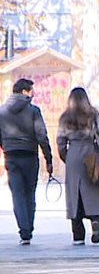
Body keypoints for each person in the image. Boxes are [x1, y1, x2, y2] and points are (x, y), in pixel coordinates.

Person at [0, 78, 54, 244]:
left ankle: (24, 230)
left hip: (11, 155)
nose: (33, 94)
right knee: (29, 193)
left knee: (17, 194)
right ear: (24, 91)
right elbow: (41, 136)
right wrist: (48, 158)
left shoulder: (2, 112)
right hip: (30, 155)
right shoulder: (33, 111)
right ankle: (28, 228)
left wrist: (5, 147)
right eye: (31, 90)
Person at [57, 87, 99, 245]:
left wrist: (66, 156)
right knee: (94, 188)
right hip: (90, 152)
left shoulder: (65, 117)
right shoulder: (93, 114)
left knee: (75, 193)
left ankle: (78, 233)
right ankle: (95, 220)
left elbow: (60, 140)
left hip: (73, 153)